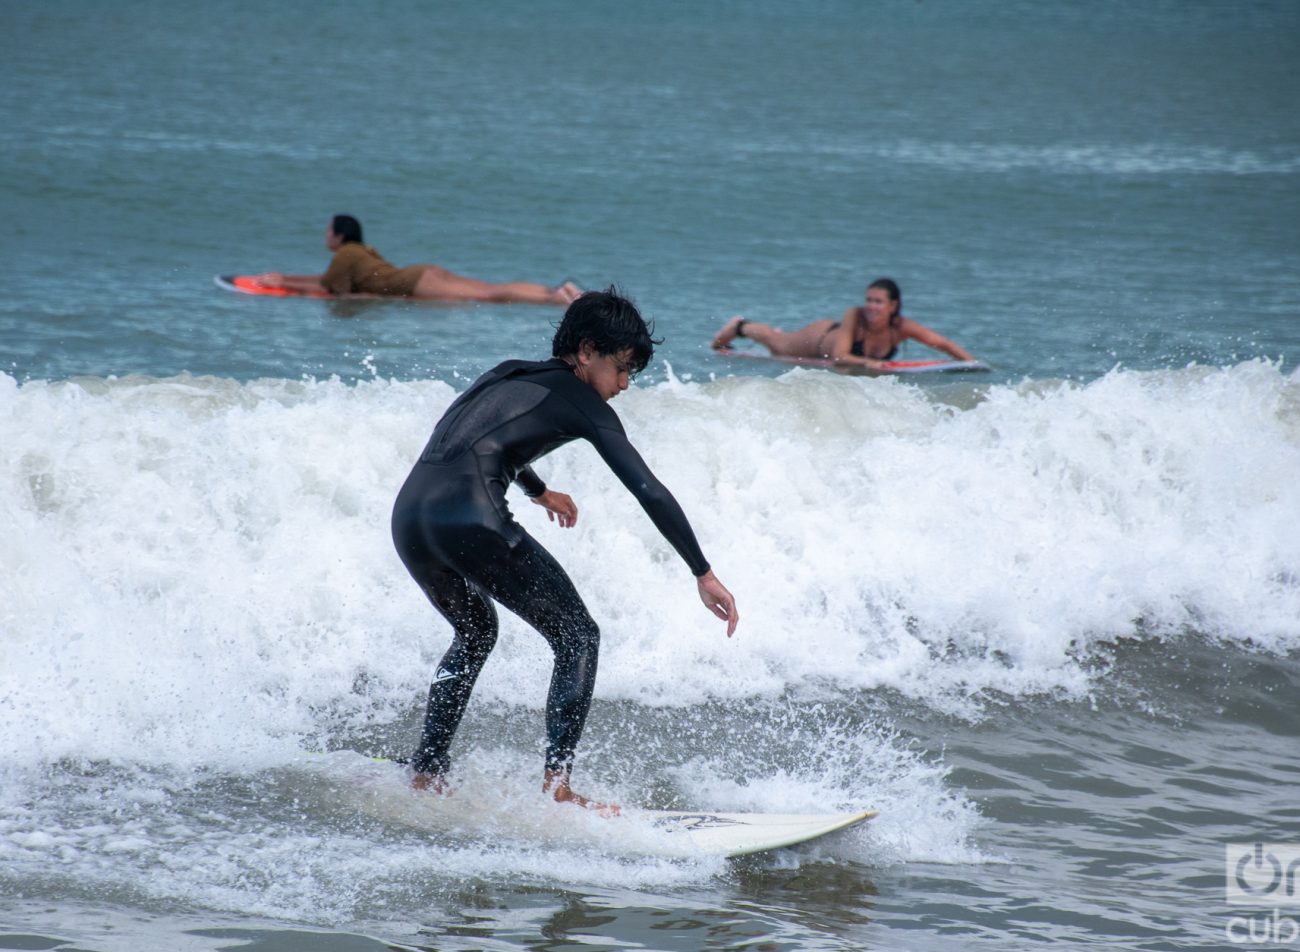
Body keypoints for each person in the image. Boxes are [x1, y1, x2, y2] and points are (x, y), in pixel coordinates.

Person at [390, 287, 738, 812]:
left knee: (475, 630)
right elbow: (649, 489)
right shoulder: (585, 404)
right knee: (579, 635)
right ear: (585, 350)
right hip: (471, 517)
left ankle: (427, 771)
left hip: (411, 516)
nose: (623, 385)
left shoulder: (508, 372)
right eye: (620, 369)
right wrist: (702, 571)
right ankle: (557, 788)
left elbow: (472, 437)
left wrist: (536, 490)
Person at [257, 214, 582, 304]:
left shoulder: (345, 254)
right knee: (488, 287)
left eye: (328, 231)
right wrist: (284, 277)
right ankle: (556, 291)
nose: (325, 236)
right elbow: (326, 279)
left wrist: (285, 283)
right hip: (422, 271)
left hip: (414, 283)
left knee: (488, 295)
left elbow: (330, 290)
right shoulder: (361, 252)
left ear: (340, 236)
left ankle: (555, 300)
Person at [711, 278, 975, 366]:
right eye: (869, 300)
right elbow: (840, 356)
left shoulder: (901, 327)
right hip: (816, 340)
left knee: (776, 341)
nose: (871, 306)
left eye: (878, 302)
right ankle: (739, 326)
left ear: (893, 305)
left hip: (831, 345)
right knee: (777, 343)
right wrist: (874, 364)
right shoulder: (854, 315)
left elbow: (941, 343)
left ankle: (748, 328)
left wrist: (971, 362)